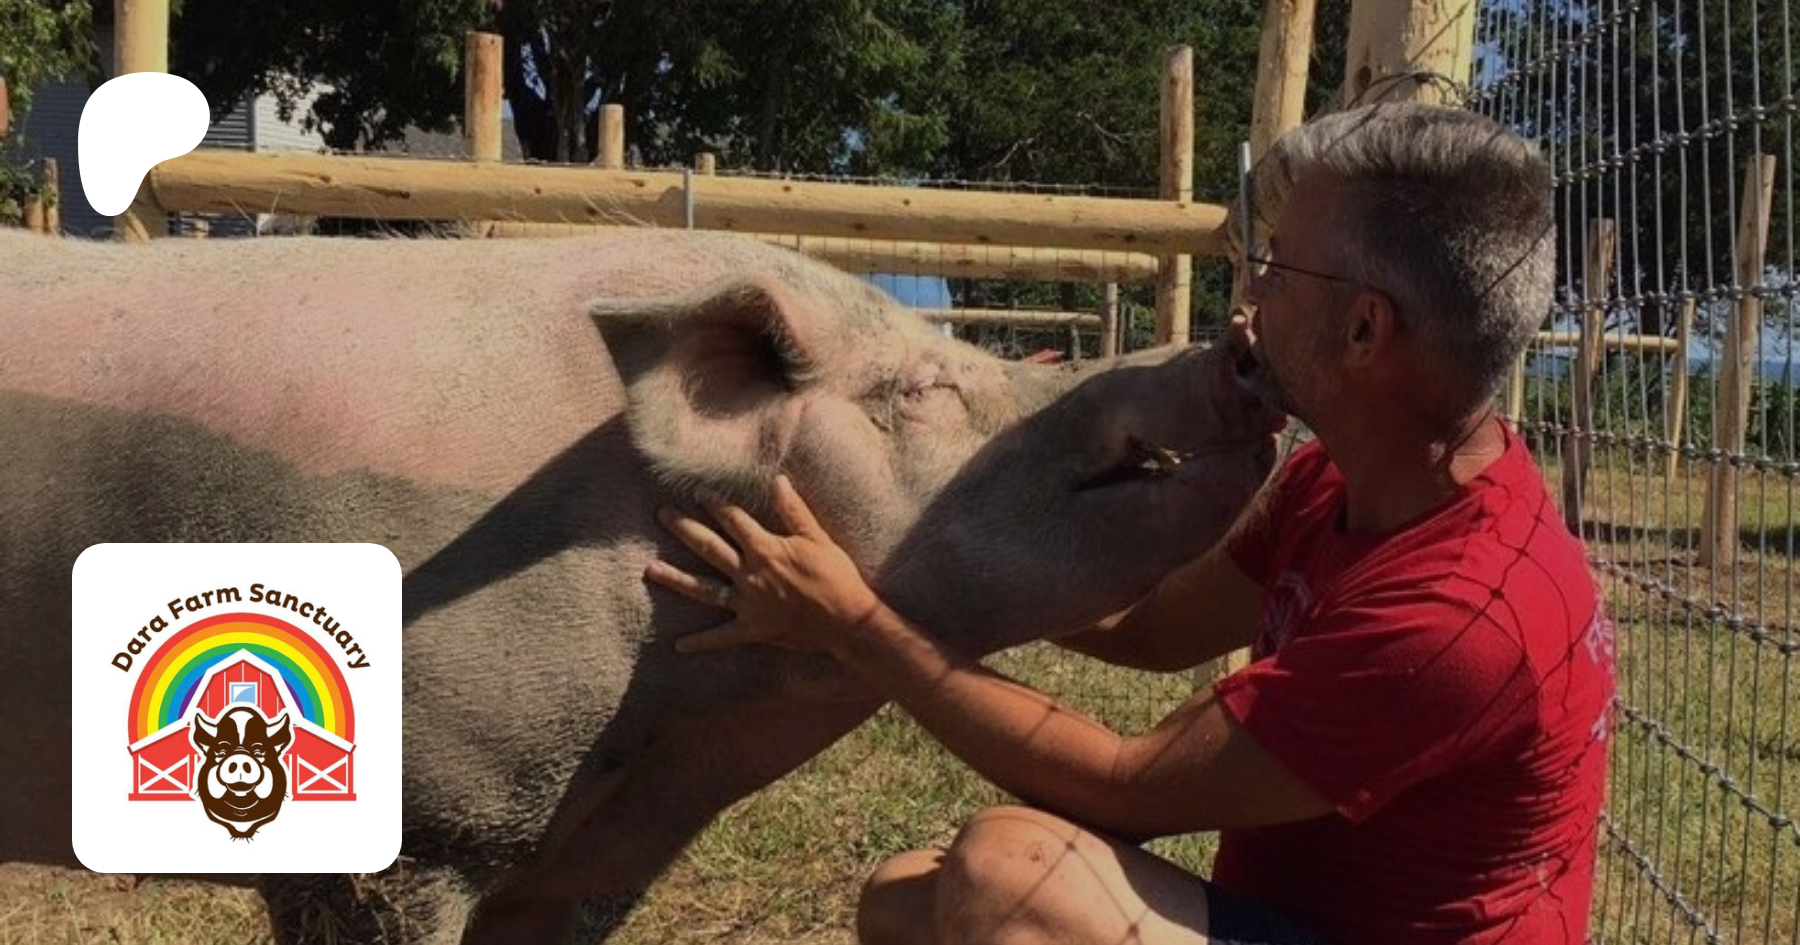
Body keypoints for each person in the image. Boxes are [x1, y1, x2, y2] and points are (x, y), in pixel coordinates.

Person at [643, 101, 1616, 945]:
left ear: (1365, 331)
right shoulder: (1348, 480)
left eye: (1278, 270)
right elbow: (1151, 628)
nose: (1251, 299)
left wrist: (855, 625)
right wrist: (907, 544)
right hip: (1298, 918)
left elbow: (1124, 787)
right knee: (903, 903)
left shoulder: (1463, 617)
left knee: (1008, 875)